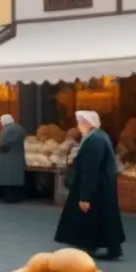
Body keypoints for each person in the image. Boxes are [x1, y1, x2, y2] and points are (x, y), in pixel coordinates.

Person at [55, 110, 125, 260]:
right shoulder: (98, 137)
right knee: (105, 217)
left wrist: (85, 196)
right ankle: (111, 246)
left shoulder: (94, 140)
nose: (79, 126)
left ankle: (88, 246)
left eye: (80, 122)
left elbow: (91, 169)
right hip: (101, 186)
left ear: (87, 123)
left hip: (95, 187)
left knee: (89, 217)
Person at [0, 115, 27, 203]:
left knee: (8, 178)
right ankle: (16, 196)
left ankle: (9, 198)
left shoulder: (8, 130)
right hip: (16, 156)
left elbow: (2, 141)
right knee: (15, 177)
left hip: (7, 157)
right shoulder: (19, 128)